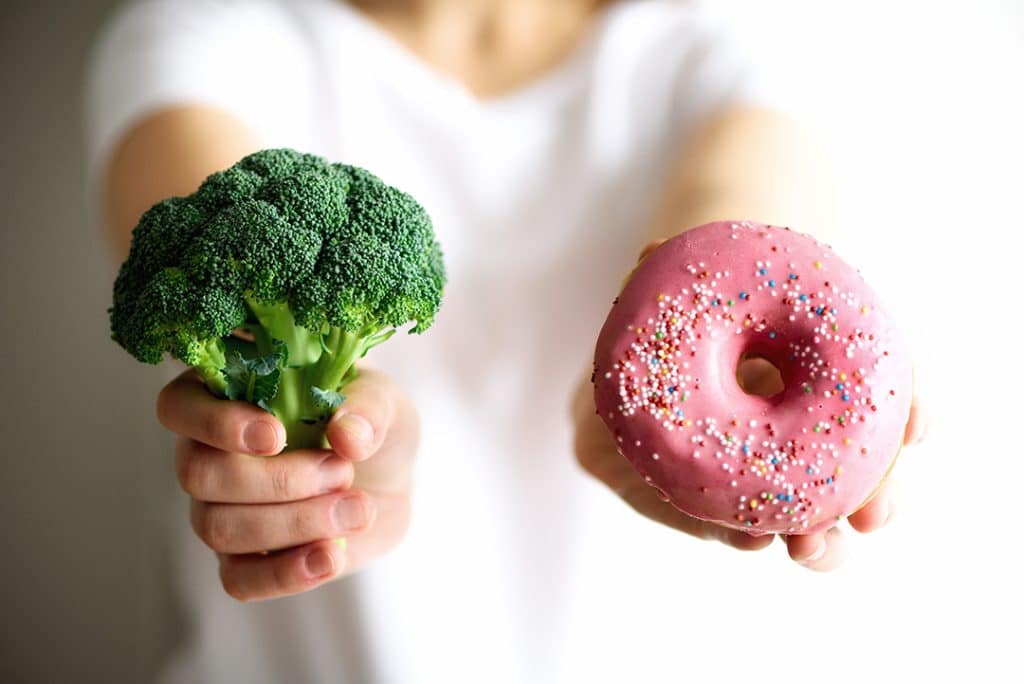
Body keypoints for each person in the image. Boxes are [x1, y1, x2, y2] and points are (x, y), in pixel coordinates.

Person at [88, 0, 925, 681]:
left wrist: (632, 405)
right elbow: (211, 238)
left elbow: (744, 231)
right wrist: (343, 442)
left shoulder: (727, 39)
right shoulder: (202, 32)